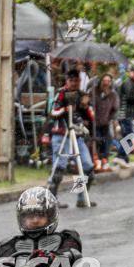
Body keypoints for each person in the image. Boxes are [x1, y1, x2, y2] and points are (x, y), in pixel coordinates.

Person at [48, 69, 96, 208]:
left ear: (79, 81)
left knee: (87, 167)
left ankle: (81, 197)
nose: (74, 83)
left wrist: (86, 106)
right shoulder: (61, 93)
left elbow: (91, 118)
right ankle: (52, 201)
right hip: (61, 134)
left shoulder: (82, 95)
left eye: (76, 80)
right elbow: (53, 111)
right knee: (59, 168)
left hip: (78, 135)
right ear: (67, 81)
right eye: (71, 80)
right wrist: (65, 109)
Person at [0, 187, 82, 263]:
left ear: (50, 216)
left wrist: (51, 256)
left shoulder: (67, 238)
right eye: (30, 216)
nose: (35, 220)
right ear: (22, 218)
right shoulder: (10, 244)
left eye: (40, 215)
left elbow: (73, 253)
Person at [90, 74, 118, 171]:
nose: (106, 83)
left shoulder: (113, 94)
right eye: (104, 80)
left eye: (108, 81)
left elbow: (114, 109)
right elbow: (89, 105)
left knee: (107, 141)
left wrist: (110, 119)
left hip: (106, 122)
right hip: (94, 122)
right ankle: (96, 161)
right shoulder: (94, 92)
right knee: (96, 141)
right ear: (101, 81)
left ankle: (105, 160)